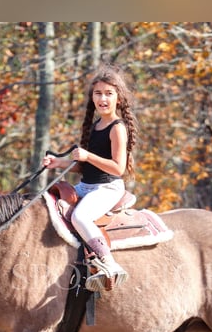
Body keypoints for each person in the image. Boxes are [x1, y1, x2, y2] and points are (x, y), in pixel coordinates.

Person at [42, 64, 139, 292]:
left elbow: (118, 168)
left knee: (80, 217)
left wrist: (88, 155)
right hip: (88, 185)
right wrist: (60, 163)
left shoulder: (117, 128)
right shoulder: (96, 126)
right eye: (98, 93)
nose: (103, 98)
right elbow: (87, 167)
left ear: (119, 98)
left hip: (107, 188)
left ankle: (109, 264)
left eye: (108, 93)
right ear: (92, 97)